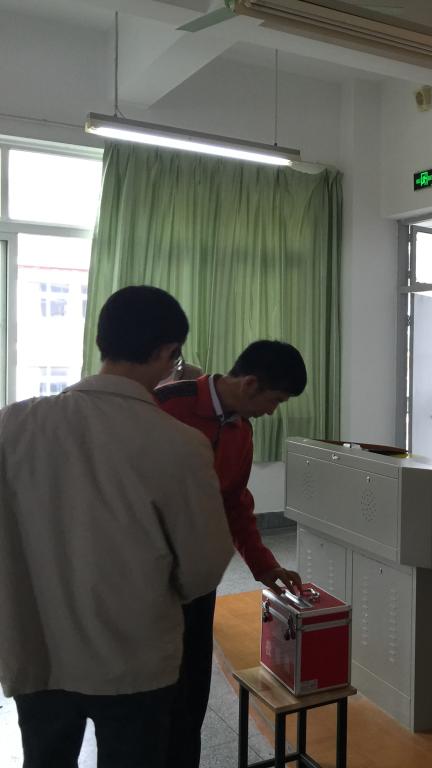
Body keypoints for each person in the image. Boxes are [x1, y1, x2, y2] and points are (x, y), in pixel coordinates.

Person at [0, 285, 234, 768]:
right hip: (133, 663)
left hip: (37, 650)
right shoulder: (180, 444)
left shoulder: (11, 426)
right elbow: (203, 569)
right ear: (168, 353)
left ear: (101, 341)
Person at [156, 340, 307, 768]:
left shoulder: (241, 430)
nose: (272, 412)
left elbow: (235, 504)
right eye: (275, 400)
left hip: (199, 578)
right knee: (153, 692)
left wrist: (266, 566)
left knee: (191, 691)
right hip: (149, 579)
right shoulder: (167, 404)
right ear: (251, 384)